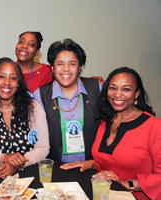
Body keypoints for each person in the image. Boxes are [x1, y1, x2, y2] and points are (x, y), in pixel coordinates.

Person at [61, 67, 161, 200]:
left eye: (126, 89)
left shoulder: (154, 126)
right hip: (103, 194)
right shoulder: (104, 122)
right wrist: (92, 163)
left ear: (137, 93)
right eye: (113, 88)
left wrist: (125, 184)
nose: (117, 94)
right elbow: (111, 162)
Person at [0, 57, 50, 178]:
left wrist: (18, 163)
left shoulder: (33, 108)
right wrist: (2, 158)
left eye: (13, 78)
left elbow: (43, 148)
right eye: (2, 76)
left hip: (29, 179)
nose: (7, 82)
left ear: (18, 83)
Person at [33, 38, 102, 163]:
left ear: (79, 67)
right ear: (52, 68)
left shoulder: (97, 89)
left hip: (92, 167)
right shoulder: (40, 95)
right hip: (56, 168)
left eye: (72, 64)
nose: (66, 69)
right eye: (60, 64)